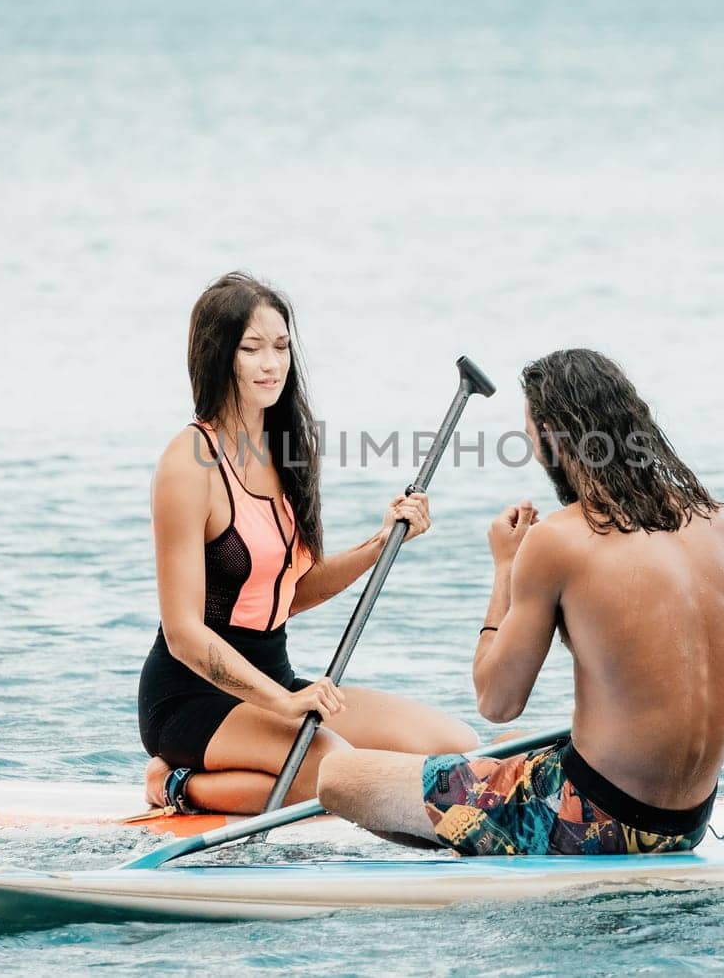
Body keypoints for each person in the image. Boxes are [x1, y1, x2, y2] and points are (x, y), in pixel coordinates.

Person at [317, 348, 724, 855]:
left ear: (549, 435)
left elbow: (497, 701)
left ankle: (482, 840)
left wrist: (505, 566)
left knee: (339, 774)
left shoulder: (561, 539)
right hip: (687, 822)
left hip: (589, 822)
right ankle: (482, 826)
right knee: (507, 751)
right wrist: (655, 720)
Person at [140, 272, 477, 814]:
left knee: (458, 748)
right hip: (192, 697)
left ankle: (252, 761)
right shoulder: (188, 464)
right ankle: (176, 783)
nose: (271, 364)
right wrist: (285, 702)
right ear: (217, 355)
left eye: (280, 347)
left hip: (273, 681)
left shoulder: (286, 448)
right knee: (340, 774)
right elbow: (183, 634)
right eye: (252, 349)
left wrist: (382, 540)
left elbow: (288, 593)